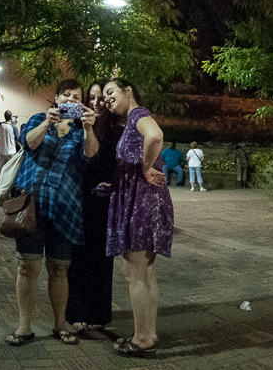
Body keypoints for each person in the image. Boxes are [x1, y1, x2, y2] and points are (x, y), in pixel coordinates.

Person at [6, 79, 98, 348]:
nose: (70, 99)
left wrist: (90, 127)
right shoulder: (37, 118)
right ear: (56, 97)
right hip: (32, 205)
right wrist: (47, 123)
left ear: (81, 103)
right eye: (66, 95)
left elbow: (90, 156)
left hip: (65, 208)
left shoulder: (81, 131)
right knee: (27, 265)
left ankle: (60, 325)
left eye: (76, 96)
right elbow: (28, 143)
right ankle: (24, 327)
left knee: (59, 270)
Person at [104, 78, 172, 358]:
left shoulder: (138, 115)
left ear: (128, 90)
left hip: (143, 203)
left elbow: (155, 136)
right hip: (145, 200)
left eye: (111, 92)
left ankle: (142, 339)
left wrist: (145, 168)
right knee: (145, 272)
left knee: (133, 272)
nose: (107, 99)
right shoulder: (133, 119)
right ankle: (147, 334)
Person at [66, 80, 121, 335]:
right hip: (79, 198)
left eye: (101, 99)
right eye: (92, 98)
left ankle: (99, 312)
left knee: (101, 257)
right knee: (78, 257)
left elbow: (120, 166)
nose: (97, 103)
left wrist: (113, 185)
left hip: (103, 201)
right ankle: (76, 311)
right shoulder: (77, 126)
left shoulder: (115, 130)